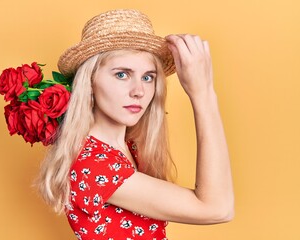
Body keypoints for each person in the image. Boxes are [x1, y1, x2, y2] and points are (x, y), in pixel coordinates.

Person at [36, 9, 234, 239]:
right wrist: (203, 93)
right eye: (122, 74)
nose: (139, 91)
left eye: (148, 77)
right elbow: (217, 209)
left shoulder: (127, 149)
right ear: (89, 83)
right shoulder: (92, 163)